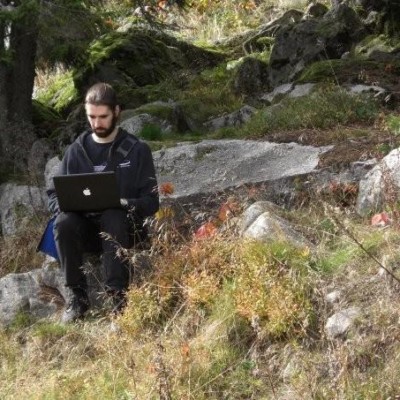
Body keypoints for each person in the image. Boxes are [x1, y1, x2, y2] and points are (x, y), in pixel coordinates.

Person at [47, 82, 159, 323]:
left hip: (125, 230)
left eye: (103, 117)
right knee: (64, 222)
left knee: (113, 214)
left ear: (117, 112)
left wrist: (123, 202)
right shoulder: (76, 151)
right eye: (91, 117)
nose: (97, 123)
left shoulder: (138, 150)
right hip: (87, 232)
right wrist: (66, 206)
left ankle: (118, 299)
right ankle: (77, 298)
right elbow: (53, 193)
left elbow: (152, 202)